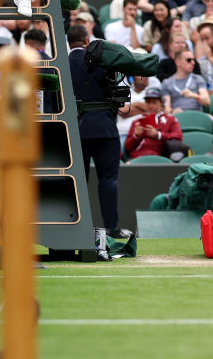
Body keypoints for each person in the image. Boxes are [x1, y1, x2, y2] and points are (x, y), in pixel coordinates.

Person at [69, 24, 124, 255]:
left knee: (76, 183)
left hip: (75, 129)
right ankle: (112, 227)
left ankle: (75, 226)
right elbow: (117, 91)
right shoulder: (101, 60)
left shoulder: (62, 64)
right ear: (86, 40)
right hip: (104, 128)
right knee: (108, 179)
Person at [123, 84, 185, 161]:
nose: (151, 105)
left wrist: (158, 135)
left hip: (162, 159)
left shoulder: (170, 119)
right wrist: (136, 136)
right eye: (148, 102)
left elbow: (178, 137)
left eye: (154, 102)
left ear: (161, 103)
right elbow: (128, 148)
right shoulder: (138, 121)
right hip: (138, 157)